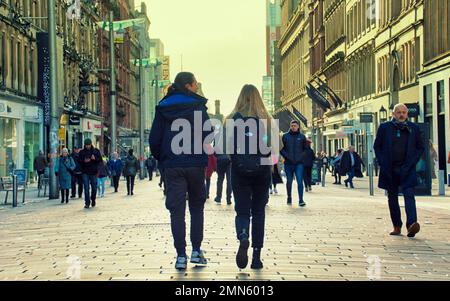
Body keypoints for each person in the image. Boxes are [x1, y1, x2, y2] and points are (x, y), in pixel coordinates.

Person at [149, 72, 212, 270]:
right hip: (194, 164)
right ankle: (196, 251)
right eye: (195, 85)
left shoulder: (163, 107)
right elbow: (209, 135)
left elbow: (154, 140)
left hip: (173, 165)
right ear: (188, 86)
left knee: (176, 211)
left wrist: (165, 158)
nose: (196, 88)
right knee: (196, 208)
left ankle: (180, 256)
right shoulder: (197, 106)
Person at [222, 84, 276, 270]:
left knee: (242, 211)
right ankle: (256, 258)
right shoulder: (266, 120)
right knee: (259, 212)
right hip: (262, 170)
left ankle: (243, 235)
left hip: (239, 170)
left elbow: (224, 147)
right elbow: (274, 147)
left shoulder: (230, 119)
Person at [374, 103, 425, 238]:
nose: (401, 115)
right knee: (392, 197)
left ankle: (412, 224)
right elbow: (377, 146)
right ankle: (397, 225)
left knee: (409, 194)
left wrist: (413, 162)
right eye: (399, 112)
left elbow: (420, 147)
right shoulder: (385, 128)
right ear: (393, 114)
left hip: (407, 168)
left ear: (407, 114)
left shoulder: (413, 128)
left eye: (404, 112)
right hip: (390, 169)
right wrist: (382, 162)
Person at [280, 120, 307, 206]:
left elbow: (306, 150)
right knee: (289, 181)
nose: (293, 127)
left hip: (299, 163)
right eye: (292, 125)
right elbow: (281, 149)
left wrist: (301, 157)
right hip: (288, 163)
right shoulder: (285, 136)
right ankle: (289, 197)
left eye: (295, 126)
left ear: (298, 126)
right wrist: (287, 157)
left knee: (299, 181)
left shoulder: (302, 137)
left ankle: (301, 200)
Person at [79, 138, 102, 209]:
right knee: (86, 188)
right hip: (85, 172)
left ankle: (93, 199)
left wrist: (95, 158)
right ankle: (87, 203)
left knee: (94, 188)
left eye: (88, 145)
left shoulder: (96, 151)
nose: (87, 146)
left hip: (93, 172)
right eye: (86, 145)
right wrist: (84, 161)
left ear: (91, 144)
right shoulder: (82, 152)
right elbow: (79, 161)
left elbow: (100, 160)